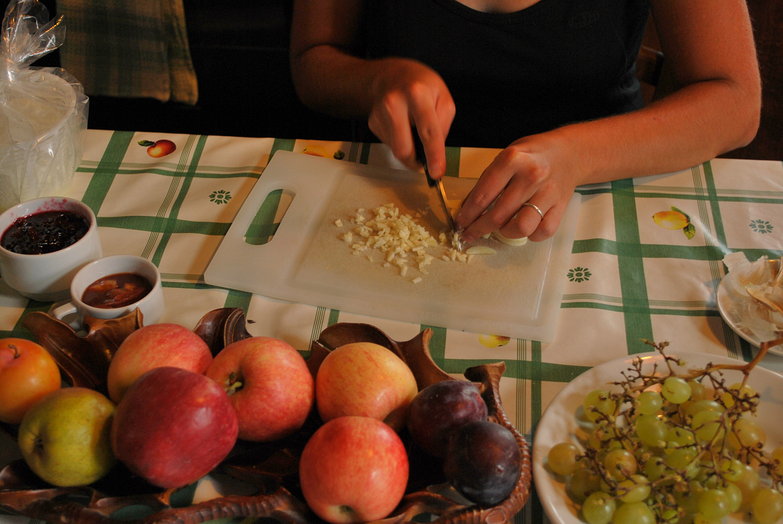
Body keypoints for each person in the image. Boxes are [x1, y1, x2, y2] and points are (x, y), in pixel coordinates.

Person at [289, 0, 760, 244]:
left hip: (603, 184)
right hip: (399, 190)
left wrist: (577, 155)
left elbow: (735, 102)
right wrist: (376, 81)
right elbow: (313, 64)